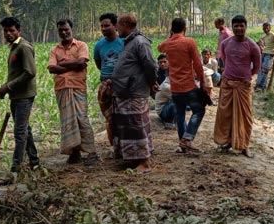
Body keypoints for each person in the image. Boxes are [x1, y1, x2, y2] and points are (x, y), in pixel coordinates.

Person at [110, 13, 158, 173]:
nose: (116, 28)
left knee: (136, 125)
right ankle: (133, 158)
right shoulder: (129, 42)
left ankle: (144, 162)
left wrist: (152, 82)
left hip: (134, 92)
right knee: (128, 126)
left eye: (118, 25)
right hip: (125, 92)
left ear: (125, 25)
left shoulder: (140, 41)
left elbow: (151, 65)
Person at [48, 19, 99, 166]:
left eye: (66, 29)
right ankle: (74, 153)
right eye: (61, 30)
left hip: (77, 87)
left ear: (71, 29)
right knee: (67, 121)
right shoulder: (55, 49)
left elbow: (82, 62)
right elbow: (51, 68)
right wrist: (73, 65)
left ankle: (91, 152)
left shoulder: (81, 45)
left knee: (82, 119)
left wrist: (61, 64)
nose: (64, 32)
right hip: (61, 88)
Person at [0, 17, 40, 181]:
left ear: (19, 31)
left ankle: (15, 169)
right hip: (16, 95)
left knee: (19, 132)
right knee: (25, 129)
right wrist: (6, 88)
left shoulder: (23, 47)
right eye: (6, 31)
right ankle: (34, 162)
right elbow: (18, 73)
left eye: (12, 30)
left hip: (24, 96)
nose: (8, 33)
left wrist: (8, 86)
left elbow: (30, 72)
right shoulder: (14, 48)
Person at [214, 15, 261, 158]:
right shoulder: (225, 43)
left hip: (244, 86)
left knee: (245, 117)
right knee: (225, 115)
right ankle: (227, 142)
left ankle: (244, 145)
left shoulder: (252, 46)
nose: (239, 28)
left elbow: (256, 68)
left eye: (242, 26)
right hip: (227, 84)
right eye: (236, 26)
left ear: (246, 27)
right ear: (232, 27)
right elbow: (225, 60)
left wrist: (245, 78)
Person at [158, 18, 208, 152]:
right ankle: (187, 138)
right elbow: (197, 64)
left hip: (175, 87)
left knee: (179, 114)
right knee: (198, 110)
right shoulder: (189, 42)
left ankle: (183, 143)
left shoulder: (168, 43)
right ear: (185, 28)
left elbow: (159, 48)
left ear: (172, 29)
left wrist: (170, 36)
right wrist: (202, 83)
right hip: (188, 85)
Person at [94, 12, 124, 147]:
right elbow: (99, 64)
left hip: (121, 85)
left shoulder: (124, 43)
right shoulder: (99, 45)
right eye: (102, 26)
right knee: (110, 118)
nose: (104, 28)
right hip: (106, 85)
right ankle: (115, 146)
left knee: (123, 117)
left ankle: (125, 144)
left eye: (107, 25)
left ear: (115, 26)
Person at [255, 22, 274, 91]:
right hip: (263, 54)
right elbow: (260, 42)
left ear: (270, 28)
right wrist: (260, 41)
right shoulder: (265, 37)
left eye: (266, 28)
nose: (265, 30)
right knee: (262, 70)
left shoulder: (273, 35)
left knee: (264, 70)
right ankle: (263, 87)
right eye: (264, 28)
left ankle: (259, 86)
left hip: (269, 55)